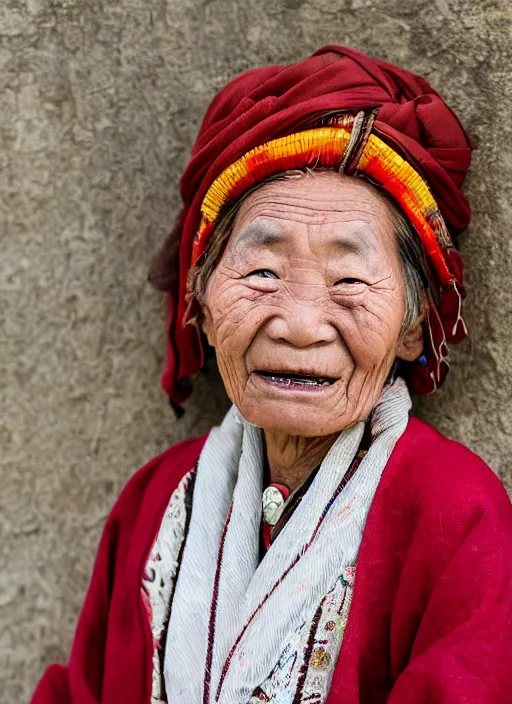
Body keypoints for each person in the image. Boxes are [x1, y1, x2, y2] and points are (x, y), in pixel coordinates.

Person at [31, 46, 512, 704]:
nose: (299, 324)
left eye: (348, 281)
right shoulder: (155, 501)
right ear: (199, 300)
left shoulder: (456, 512)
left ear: (413, 323)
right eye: (262, 273)